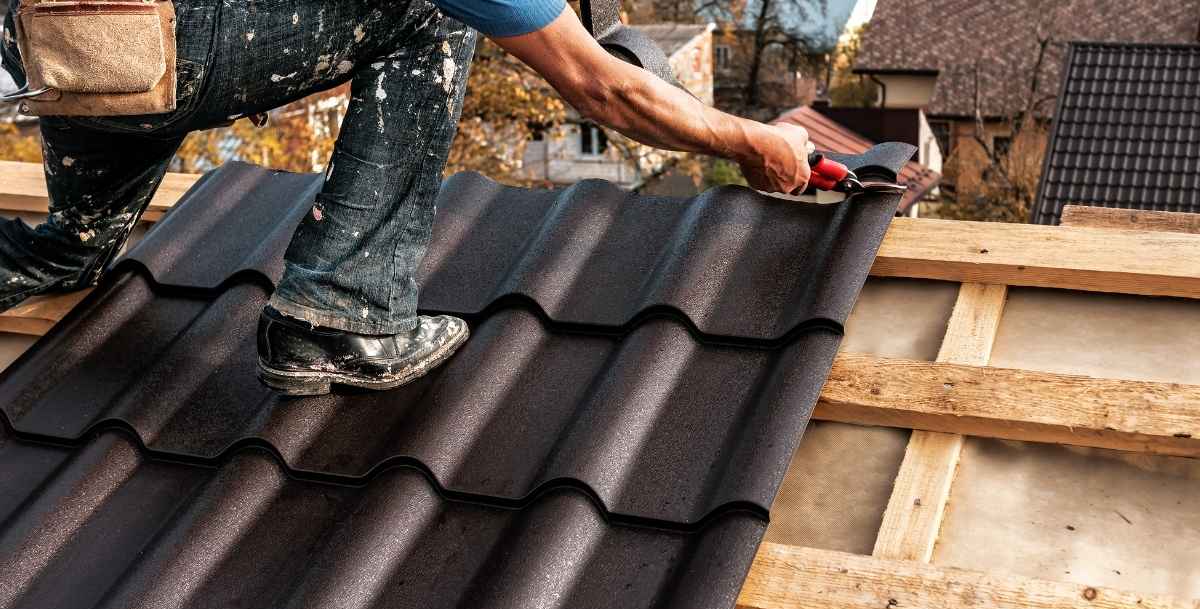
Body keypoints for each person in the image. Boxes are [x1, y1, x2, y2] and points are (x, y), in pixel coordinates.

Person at [0, 0, 812, 396]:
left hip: (62, 46)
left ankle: (59, 248)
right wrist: (752, 140)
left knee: (73, 247)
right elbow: (602, 89)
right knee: (433, 13)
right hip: (166, 46)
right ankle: (342, 311)